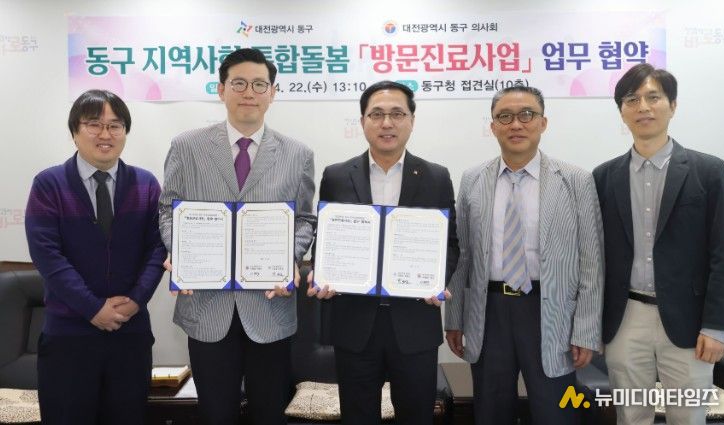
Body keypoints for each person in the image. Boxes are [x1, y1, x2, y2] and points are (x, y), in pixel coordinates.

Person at [158, 48, 315, 425]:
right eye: (239, 83)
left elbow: (305, 219)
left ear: (272, 93)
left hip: (269, 308)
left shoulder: (298, 153)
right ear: (221, 89)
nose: (249, 92)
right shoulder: (187, 146)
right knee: (215, 414)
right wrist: (179, 250)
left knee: (269, 414)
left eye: (259, 84)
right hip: (207, 308)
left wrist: (288, 260)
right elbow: (168, 209)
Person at [444, 85, 604, 424]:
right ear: (493, 126)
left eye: (526, 115)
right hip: (489, 312)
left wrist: (586, 330)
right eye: (505, 116)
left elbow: (591, 262)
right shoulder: (472, 179)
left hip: (551, 311)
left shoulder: (575, 180)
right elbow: (464, 256)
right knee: (491, 411)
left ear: (543, 123)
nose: (516, 124)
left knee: (557, 413)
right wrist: (454, 319)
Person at [307, 80, 459, 425]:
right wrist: (321, 271)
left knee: (417, 416)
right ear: (363, 121)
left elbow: (450, 242)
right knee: (357, 416)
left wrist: (437, 280)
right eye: (376, 114)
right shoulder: (336, 175)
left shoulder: (436, 176)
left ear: (412, 120)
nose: (386, 123)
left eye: (397, 114)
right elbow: (326, 238)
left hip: (414, 321)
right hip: (355, 323)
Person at [593, 63, 724, 425]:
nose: (643, 107)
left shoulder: (710, 171)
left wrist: (717, 327)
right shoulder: (603, 177)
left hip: (690, 322)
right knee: (631, 416)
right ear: (622, 111)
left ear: (672, 105)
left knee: (688, 417)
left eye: (653, 97)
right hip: (624, 318)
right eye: (631, 99)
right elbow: (595, 258)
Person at [25, 89, 166, 425]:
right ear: (74, 131)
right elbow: (48, 256)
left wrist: (135, 301)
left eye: (115, 126)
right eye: (94, 124)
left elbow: (158, 248)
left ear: (125, 132)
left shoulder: (145, 185)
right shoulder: (49, 184)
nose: (106, 134)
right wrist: (93, 308)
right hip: (68, 337)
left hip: (130, 335)